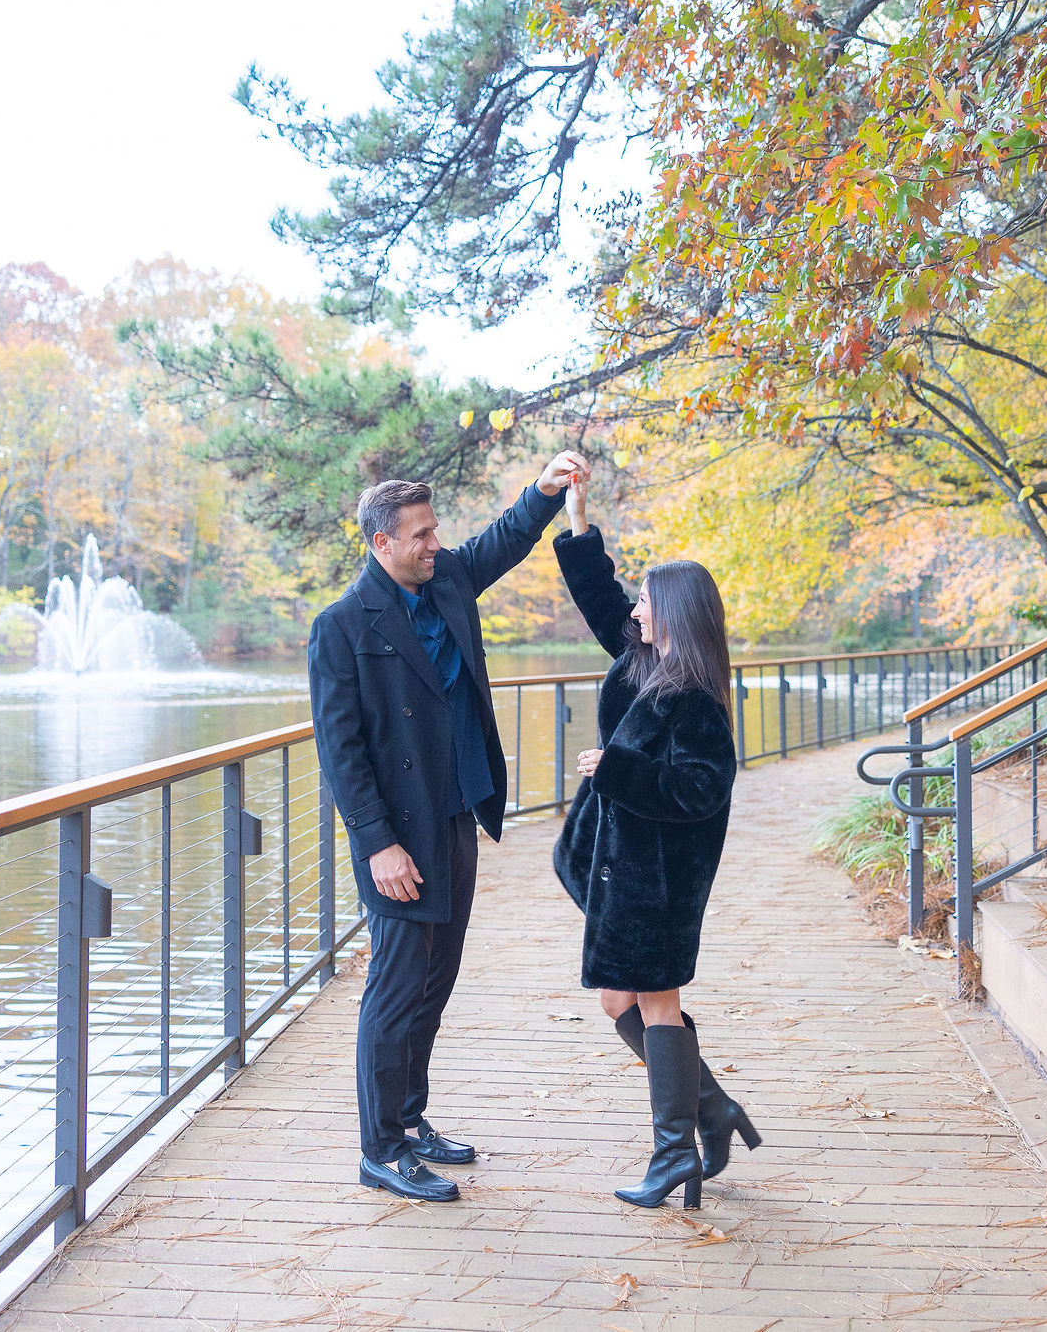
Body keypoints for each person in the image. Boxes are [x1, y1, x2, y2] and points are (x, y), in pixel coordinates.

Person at [308, 451, 589, 1204]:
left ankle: (410, 1118)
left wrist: (542, 492)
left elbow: (502, 539)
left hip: (457, 814)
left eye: (436, 531)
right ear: (381, 542)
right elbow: (341, 751)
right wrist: (376, 843)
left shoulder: (449, 579)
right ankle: (381, 1148)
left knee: (435, 980)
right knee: (394, 990)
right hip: (397, 834)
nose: (436, 543)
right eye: (422, 535)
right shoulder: (339, 626)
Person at [549, 472, 760, 1211]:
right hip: (627, 871)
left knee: (656, 1003)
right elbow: (601, 599)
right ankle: (712, 1111)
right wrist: (578, 526)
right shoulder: (644, 659)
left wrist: (620, 770)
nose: (634, 609)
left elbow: (701, 788)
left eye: (645, 600)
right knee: (618, 1000)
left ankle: (675, 1152)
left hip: (664, 877)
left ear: (672, 612)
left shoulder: (696, 696)